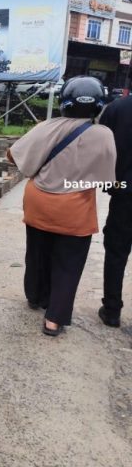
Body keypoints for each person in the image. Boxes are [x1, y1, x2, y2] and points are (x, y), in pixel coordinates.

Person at [9, 76, 116, 336]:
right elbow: (106, 178)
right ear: (98, 105)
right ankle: (53, 320)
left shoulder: (47, 127)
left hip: (39, 203)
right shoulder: (103, 135)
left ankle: (35, 297)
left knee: (37, 253)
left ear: (64, 102)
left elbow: (13, 155)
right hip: (75, 210)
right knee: (68, 265)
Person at [98, 92, 132, 327]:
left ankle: (111, 311)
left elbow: (102, 150)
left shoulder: (116, 109)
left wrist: (108, 182)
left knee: (117, 252)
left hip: (124, 194)